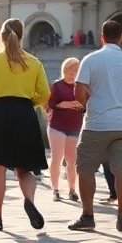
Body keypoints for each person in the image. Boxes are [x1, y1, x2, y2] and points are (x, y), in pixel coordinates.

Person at [69, 20, 122, 232]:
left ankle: (87, 215)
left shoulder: (90, 60)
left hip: (96, 123)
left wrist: (87, 103)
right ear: (121, 38)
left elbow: (79, 93)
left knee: (85, 168)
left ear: (101, 37)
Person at [0, 18, 50, 232]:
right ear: (22, 35)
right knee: (25, 169)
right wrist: (29, 103)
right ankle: (30, 201)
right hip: (25, 113)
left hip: (0, 112)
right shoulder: (34, 62)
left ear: (1, 36)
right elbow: (45, 92)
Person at [46, 57, 83, 204]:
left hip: (75, 126)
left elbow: (85, 105)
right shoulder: (56, 85)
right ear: (65, 69)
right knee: (57, 157)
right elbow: (50, 104)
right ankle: (55, 189)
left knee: (72, 160)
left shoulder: (80, 87)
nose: (74, 72)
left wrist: (76, 105)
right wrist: (63, 104)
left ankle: (72, 190)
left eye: (76, 69)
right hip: (57, 126)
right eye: (71, 68)